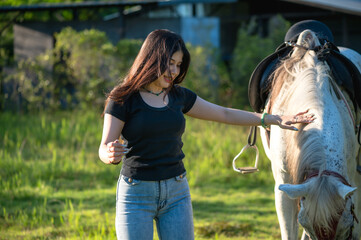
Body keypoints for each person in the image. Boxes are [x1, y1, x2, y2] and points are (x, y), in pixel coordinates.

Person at [98, 29, 314, 240]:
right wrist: (110, 154)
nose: (174, 71)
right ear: (153, 58)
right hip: (136, 194)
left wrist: (270, 118)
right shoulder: (123, 98)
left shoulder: (179, 96)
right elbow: (105, 147)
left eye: (179, 65)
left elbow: (224, 113)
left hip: (176, 192)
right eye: (170, 63)